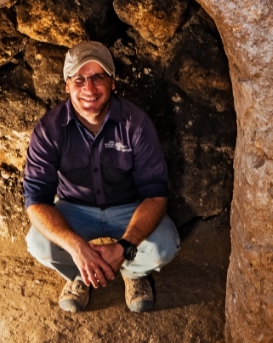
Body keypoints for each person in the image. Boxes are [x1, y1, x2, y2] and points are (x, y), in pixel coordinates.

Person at [23, 41, 181, 313]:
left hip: (129, 208)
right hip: (75, 208)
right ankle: (81, 272)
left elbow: (156, 193)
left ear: (113, 82)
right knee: (38, 244)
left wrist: (124, 247)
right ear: (67, 84)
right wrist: (76, 247)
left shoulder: (136, 124)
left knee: (165, 246)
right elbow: (36, 200)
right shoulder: (49, 129)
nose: (89, 88)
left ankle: (131, 270)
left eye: (99, 77)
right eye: (80, 79)